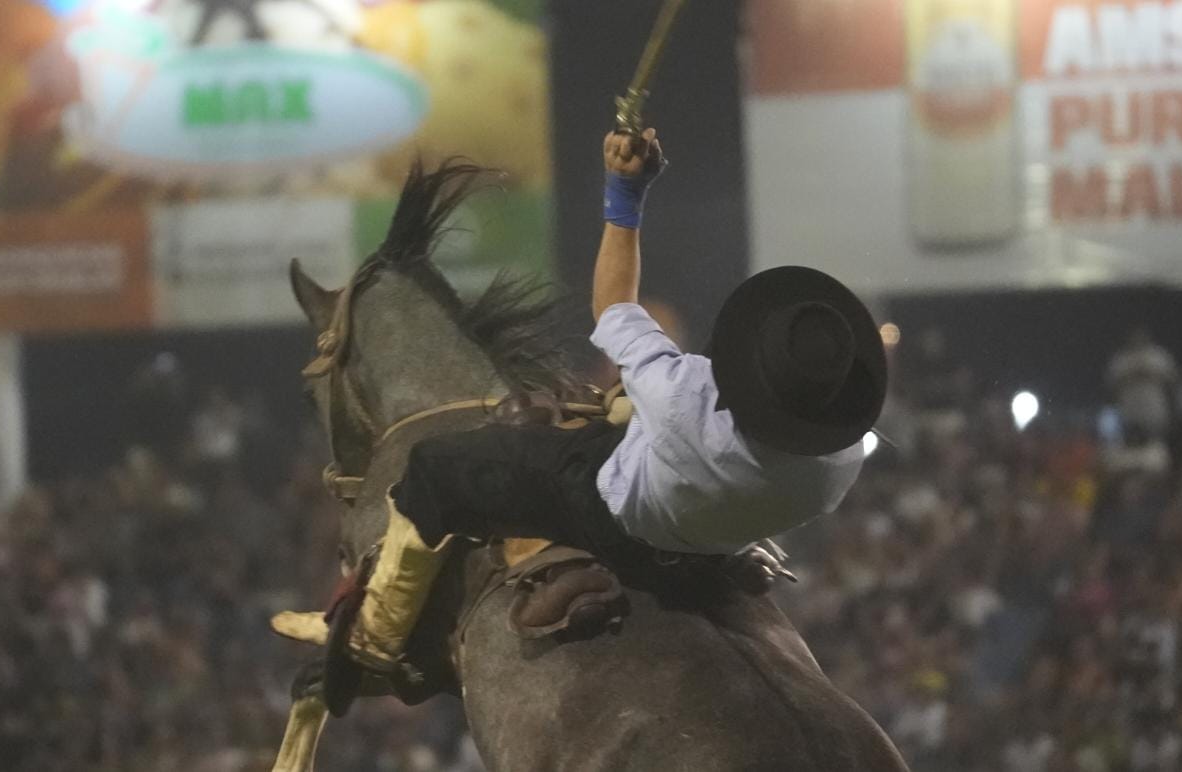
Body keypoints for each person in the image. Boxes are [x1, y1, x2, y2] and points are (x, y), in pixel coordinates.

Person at [332, 128, 887, 693]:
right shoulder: (841, 459)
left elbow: (614, 307)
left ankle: (377, 638)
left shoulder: (682, 395)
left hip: (613, 514)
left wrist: (626, 190)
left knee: (431, 466)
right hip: (720, 534)